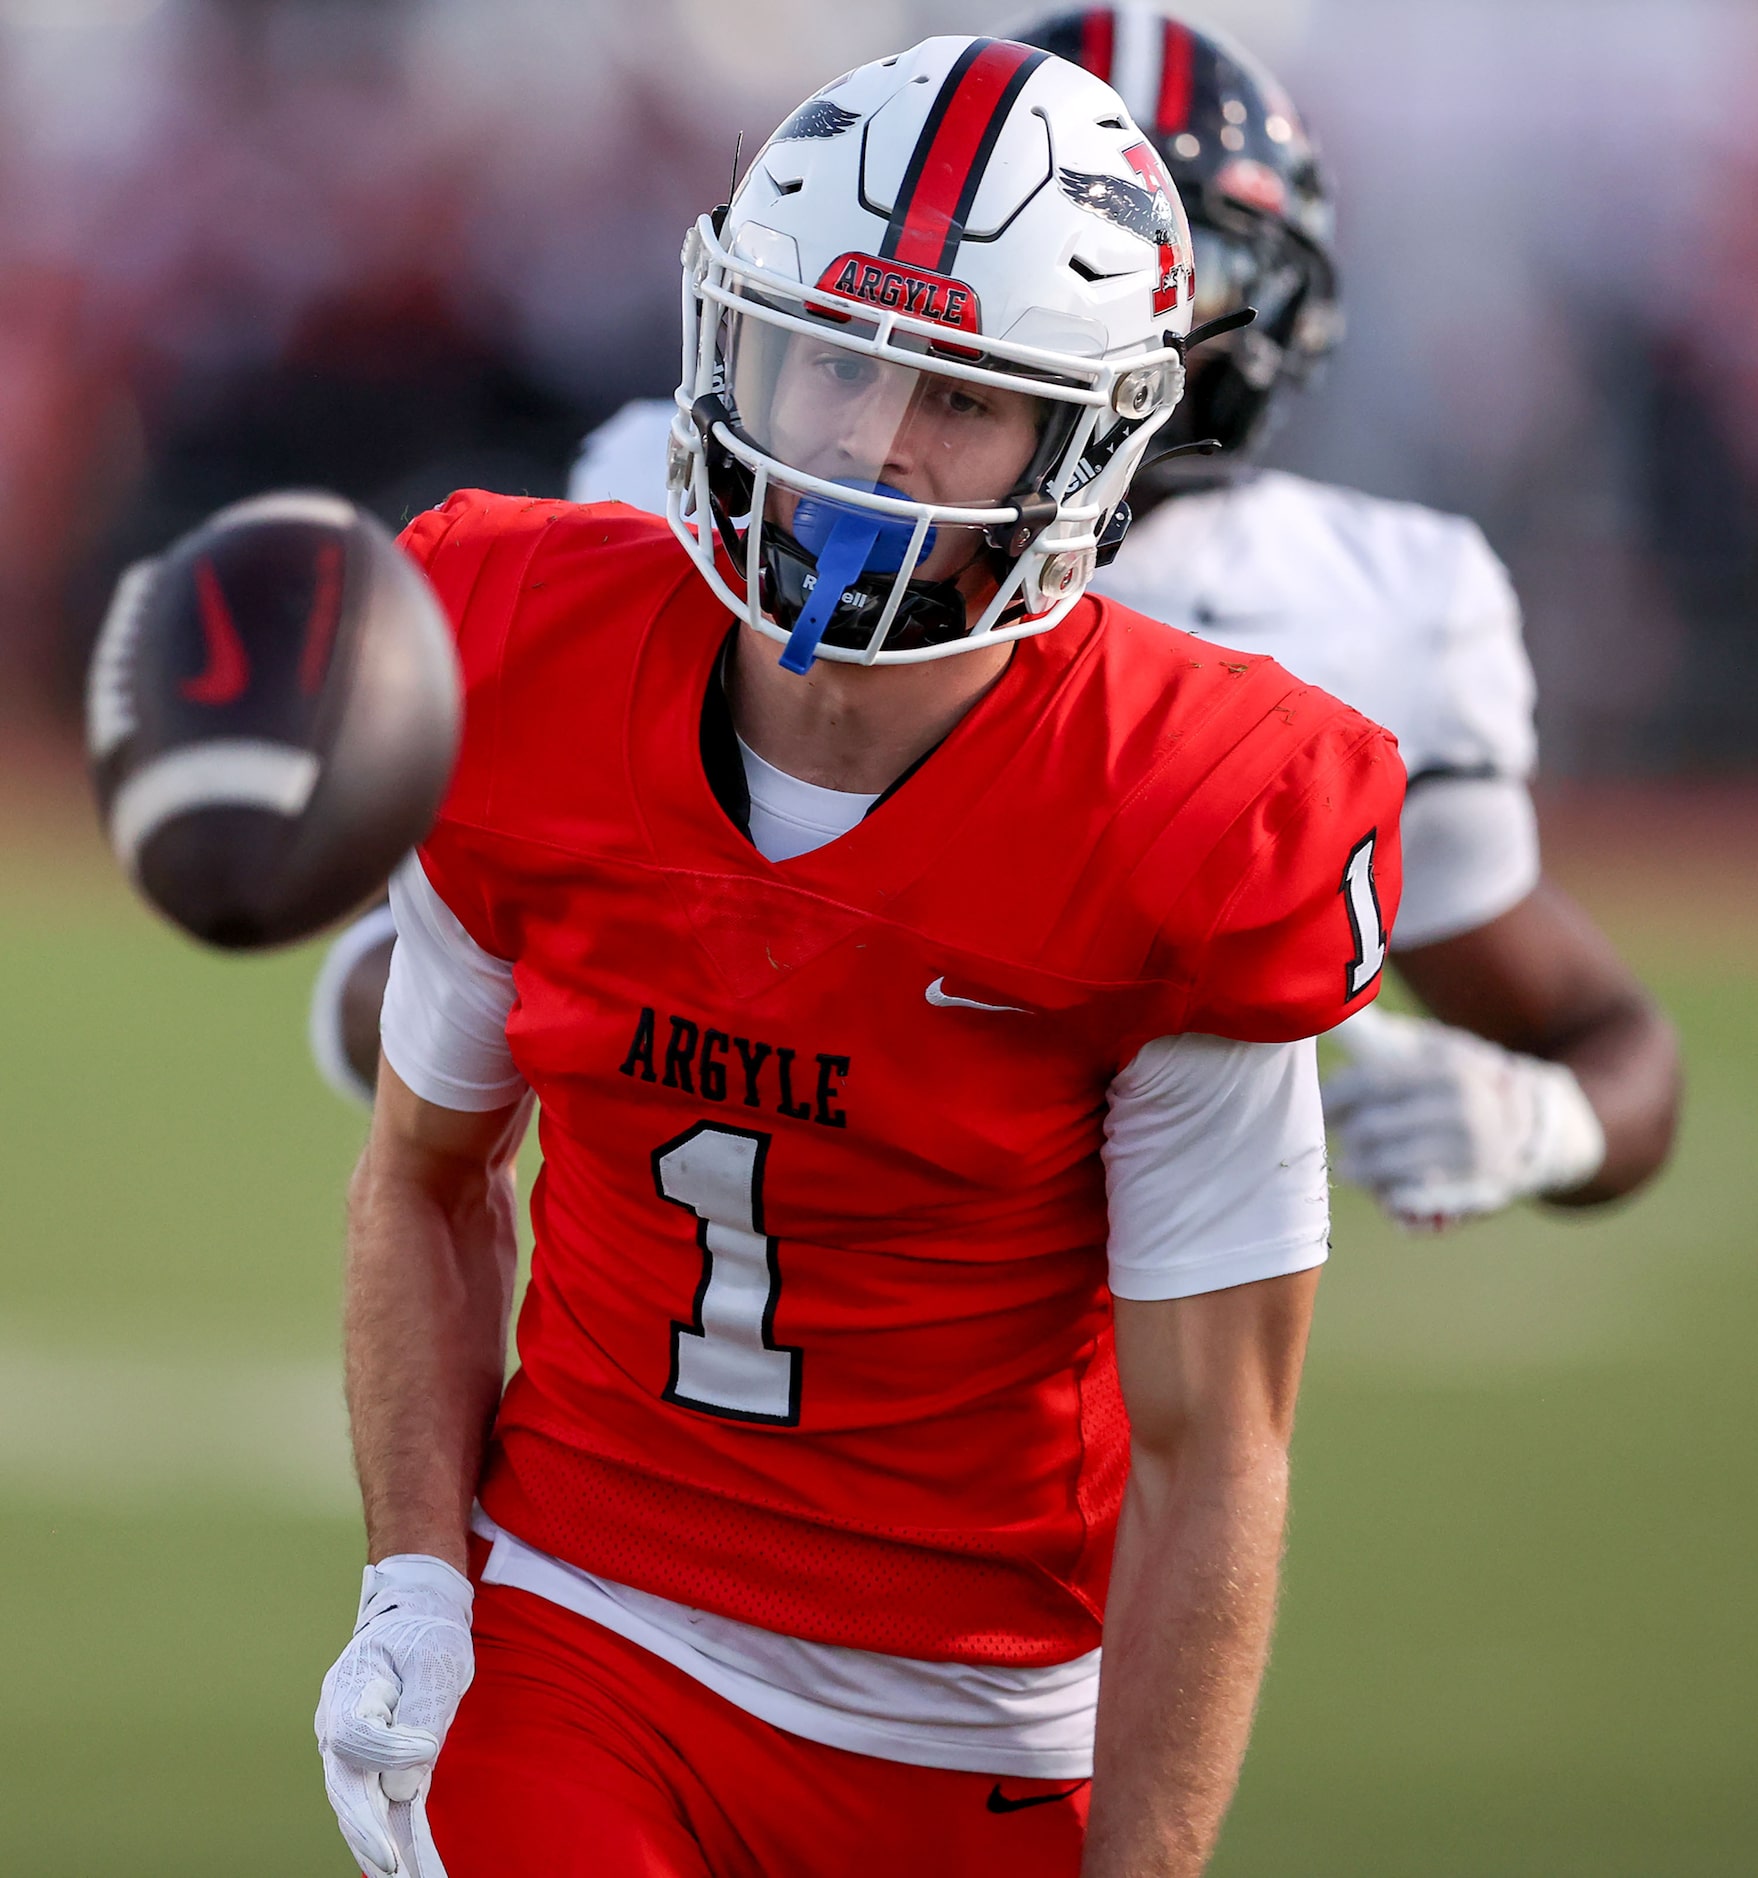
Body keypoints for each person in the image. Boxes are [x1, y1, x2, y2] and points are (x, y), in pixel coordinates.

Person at [313, 35, 1404, 1878]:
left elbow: (1210, 1440)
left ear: (1089, 436)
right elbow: (424, 1175)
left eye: (956, 397)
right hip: (586, 1631)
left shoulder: (1184, 811)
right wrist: (419, 1581)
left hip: (975, 1724)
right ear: (727, 332)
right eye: (826, 355)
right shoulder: (524, 662)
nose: (864, 444)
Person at [525, 5, 1681, 1232]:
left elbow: (1589, 1030)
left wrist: (1548, 1120)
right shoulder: (720, 486)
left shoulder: (1370, 601)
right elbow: (423, 963)